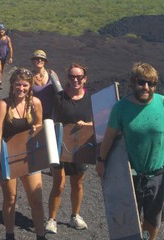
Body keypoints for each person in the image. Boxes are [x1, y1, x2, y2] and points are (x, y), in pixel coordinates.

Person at [95, 63, 164, 240]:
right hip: (130, 176)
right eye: (141, 82)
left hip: (158, 175)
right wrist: (101, 161)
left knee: (153, 219)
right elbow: (109, 137)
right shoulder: (121, 108)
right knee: (130, 218)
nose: (146, 87)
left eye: (151, 83)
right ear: (132, 82)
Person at [0, 68, 48, 240]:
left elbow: (40, 127)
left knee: (36, 200)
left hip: (29, 157)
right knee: (10, 199)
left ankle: (41, 235)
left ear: (30, 86)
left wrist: (36, 128)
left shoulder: (36, 104)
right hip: (8, 157)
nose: (21, 88)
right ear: (12, 85)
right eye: (18, 84)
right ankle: (10, 235)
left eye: (25, 85)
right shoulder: (4, 104)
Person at [46, 63, 93, 233]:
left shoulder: (90, 99)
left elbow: (99, 122)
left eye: (79, 77)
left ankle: (75, 216)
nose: (75, 80)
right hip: (60, 145)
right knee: (59, 184)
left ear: (84, 79)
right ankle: (51, 219)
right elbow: (51, 119)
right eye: (72, 76)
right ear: (68, 78)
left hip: (81, 147)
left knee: (78, 183)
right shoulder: (59, 97)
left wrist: (88, 124)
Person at [30, 50, 62, 122]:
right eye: (37, 58)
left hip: (52, 113)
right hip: (36, 113)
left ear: (45, 61)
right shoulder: (29, 77)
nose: (40, 60)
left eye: (42, 59)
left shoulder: (52, 74)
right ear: (33, 61)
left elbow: (60, 92)